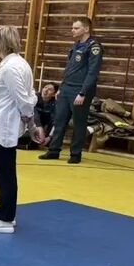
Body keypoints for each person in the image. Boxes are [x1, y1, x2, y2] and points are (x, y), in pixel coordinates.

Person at [0, 26, 42, 234]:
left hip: (5, 126)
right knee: (3, 171)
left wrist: (32, 125)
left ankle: (5, 218)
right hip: (3, 124)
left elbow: (24, 100)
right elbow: (27, 96)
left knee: (4, 172)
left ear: (1, 44)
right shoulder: (19, 64)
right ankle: (4, 210)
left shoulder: (11, 68)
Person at [39, 16, 103, 164]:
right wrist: (61, 88)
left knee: (78, 123)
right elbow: (69, 69)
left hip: (79, 90)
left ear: (86, 29)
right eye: (72, 28)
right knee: (59, 119)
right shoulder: (75, 46)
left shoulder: (93, 47)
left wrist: (83, 93)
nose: (72, 30)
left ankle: (75, 154)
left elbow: (92, 73)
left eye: (76, 28)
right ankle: (53, 150)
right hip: (66, 88)